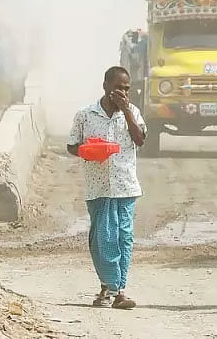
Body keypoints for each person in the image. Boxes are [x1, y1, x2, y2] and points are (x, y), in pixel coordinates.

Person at [67, 66, 147, 309]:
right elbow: (71, 145)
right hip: (98, 186)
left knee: (124, 238)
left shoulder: (132, 112)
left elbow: (140, 139)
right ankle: (109, 286)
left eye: (126, 89)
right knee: (103, 238)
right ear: (105, 86)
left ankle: (117, 290)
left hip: (125, 186)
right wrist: (87, 150)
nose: (122, 93)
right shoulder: (85, 115)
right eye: (118, 88)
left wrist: (127, 112)